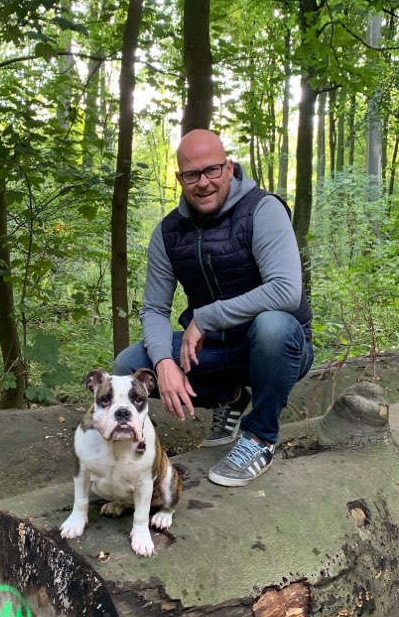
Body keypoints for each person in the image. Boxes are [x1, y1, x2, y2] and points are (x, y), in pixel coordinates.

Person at [113, 128, 314, 487]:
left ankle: (260, 437)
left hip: (276, 349)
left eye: (212, 171)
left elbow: (286, 292)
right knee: (129, 366)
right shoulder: (168, 233)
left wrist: (207, 316)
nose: (203, 183)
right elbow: (154, 309)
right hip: (214, 352)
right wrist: (162, 363)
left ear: (229, 167)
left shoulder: (262, 210)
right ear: (180, 178)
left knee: (273, 326)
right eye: (192, 174)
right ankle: (230, 397)